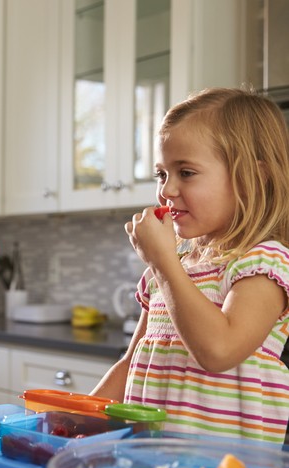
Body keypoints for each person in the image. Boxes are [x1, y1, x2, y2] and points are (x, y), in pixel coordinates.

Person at [91, 87, 289, 444]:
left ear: (252, 177)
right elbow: (132, 362)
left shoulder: (263, 263)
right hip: (151, 461)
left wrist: (164, 264)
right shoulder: (170, 268)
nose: (166, 190)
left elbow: (220, 350)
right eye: (161, 174)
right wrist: (76, 418)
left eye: (186, 172)